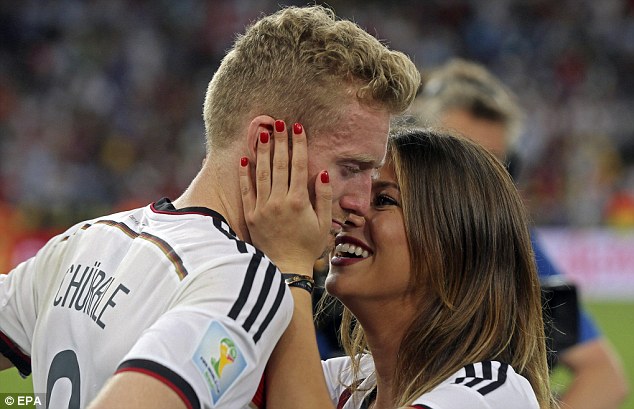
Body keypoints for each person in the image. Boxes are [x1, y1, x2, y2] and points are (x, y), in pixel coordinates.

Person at [0, 5, 420, 409]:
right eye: (350, 168)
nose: (361, 203)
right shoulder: (244, 282)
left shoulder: (84, 240)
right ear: (266, 142)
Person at [240, 126, 556, 408]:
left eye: (384, 200)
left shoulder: (490, 394)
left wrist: (291, 270)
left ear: (452, 245)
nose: (350, 211)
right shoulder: (345, 385)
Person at [409, 58, 629, 409]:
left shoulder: (510, 241)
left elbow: (604, 376)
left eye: (497, 167)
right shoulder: (357, 224)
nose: (480, 184)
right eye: (457, 159)